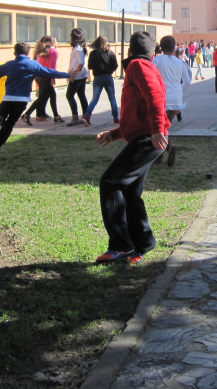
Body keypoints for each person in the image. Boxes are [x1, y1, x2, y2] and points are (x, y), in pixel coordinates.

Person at [94, 31, 170, 265]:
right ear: (154, 52)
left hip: (149, 139)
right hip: (148, 136)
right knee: (129, 192)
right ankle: (143, 243)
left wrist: (157, 128)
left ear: (129, 51)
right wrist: (115, 134)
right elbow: (137, 113)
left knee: (110, 182)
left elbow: (154, 96)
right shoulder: (145, 65)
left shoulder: (137, 65)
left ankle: (121, 244)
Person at [0, 42, 72, 158]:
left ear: (15, 53)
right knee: (9, 125)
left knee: (1, 116)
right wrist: (68, 75)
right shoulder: (33, 65)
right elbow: (49, 72)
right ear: (28, 52)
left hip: (8, 98)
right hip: (21, 100)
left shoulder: (9, 64)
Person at [153, 35, 192, 167]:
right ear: (174, 46)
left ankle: (164, 151)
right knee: (165, 127)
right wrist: (178, 90)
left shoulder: (157, 61)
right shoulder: (180, 62)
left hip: (161, 98)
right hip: (176, 99)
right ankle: (163, 152)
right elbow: (187, 82)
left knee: (158, 128)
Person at [21, 35, 64, 125]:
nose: (56, 43)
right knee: (42, 98)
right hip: (46, 76)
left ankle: (56, 117)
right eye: (55, 41)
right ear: (52, 43)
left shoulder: (42, 51)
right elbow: (52, 66)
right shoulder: (53, 51)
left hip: (39, 76)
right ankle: (27, 114)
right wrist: (53, 78)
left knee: (52, 95)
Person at [79, 35, 119, 127]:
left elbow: (90, 66)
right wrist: (110, 69)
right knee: (112, 98)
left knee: (95, 99)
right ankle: (116, 118)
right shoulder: (110, 53)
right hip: (108, 77)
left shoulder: (93, 53)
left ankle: (87, 116)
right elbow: (115, 65)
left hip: (97, 78)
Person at [65, 28, 89, 126]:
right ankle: (85, 117)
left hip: (77, 77)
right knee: (81, 95)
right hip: (81, 76)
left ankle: (76, 117)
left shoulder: (78, 49)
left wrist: (74, 74)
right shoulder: (79, 48)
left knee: (69, 95)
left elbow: (81, 63)